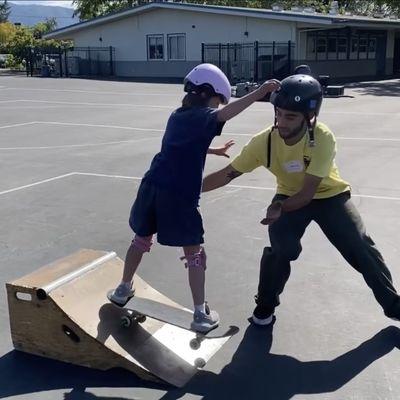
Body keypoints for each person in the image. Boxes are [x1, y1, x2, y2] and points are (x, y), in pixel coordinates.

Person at [202, 74, 400, 326]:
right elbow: (227, 174)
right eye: (279, 113)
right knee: (281, 248)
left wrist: (278, 208)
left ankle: (394, 305)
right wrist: (189, 192)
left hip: (329, 195)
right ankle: (265, 306)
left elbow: (308, 194)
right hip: (288, 194)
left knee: (359, 245)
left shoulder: (322, 137)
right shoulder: (264, 142)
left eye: (291, 116)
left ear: (309, 117)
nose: (281, 122)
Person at [110, 63, 280, 332]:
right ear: (206, 94)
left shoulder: (177, 115)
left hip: (151, 186)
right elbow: (225, 114)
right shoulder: (205, 115)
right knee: (195, 254)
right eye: (216, 100)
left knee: (141, 239)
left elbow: (183, 143)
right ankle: (200, 315)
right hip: (178, 194)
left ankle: (122, 289)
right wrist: (260, 92)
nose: (217, 106)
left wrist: (213, 151)